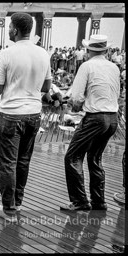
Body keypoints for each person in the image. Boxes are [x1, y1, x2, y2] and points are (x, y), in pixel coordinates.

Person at [0, 12, 51, 220]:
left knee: (8, 162)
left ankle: (8, 208)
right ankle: (17, 204)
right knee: (24, 161)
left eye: (9, 27)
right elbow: (46, 86)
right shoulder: (43, 53)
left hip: (11, 114)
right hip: (34, 113)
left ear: (15, 29)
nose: (8, 30)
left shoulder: (6, 54)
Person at [60, 34, 120, 211]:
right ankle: (99, 201)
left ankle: (80, 201)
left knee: (72, 157)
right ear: (106, 50)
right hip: (112, 118)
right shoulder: (114, 67)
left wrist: (74, 106)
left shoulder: (86, 66)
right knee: (95, 158)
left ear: (87, 51)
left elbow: (77, 99)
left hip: (95, 118)